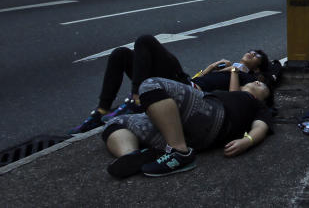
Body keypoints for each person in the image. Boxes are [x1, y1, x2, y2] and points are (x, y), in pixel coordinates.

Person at [70, 34, 271, 134]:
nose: (252, 53)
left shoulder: (247, 79)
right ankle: (102, 111)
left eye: (257, 56)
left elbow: (234, 97)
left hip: (189, 92)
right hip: (185, 82)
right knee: (120, 54)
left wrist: (236, 70)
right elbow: (198, 78)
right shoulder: (224, 69)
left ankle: (137, 99)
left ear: (257, 69)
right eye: (252, 50)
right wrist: (211, 68)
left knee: (146, 41)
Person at [102, 72, 274, 178]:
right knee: (115, 122)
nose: (258, 82)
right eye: (256, 81)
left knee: (151, 84)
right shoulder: (231, 92)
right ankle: (131, 156)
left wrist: (247, 141)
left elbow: (261, 127)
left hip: (213, 117)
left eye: (262, 86)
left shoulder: (258, 105)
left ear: (263, 98)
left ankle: (180, 152)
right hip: (187, 134)